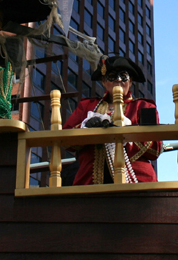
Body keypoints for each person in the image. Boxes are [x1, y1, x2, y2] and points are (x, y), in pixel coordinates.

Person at [63, 56, 162, 185]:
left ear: (130, 81)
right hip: (90, 181)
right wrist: (84, 128)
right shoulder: (87, 105)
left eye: (124, 76)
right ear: (104, 81)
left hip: (136, 181)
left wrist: (130, 131)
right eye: (112, 76)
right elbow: (65, 140)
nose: (118, 80)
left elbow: (155, 148)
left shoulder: (145, 107)